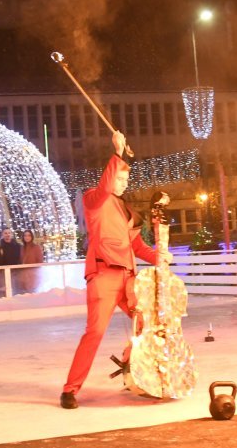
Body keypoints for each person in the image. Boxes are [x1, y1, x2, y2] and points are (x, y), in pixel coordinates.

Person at [60, 131, 171, 409]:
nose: (123, 183)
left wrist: (161, 255)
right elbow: (106, 186)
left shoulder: (127, 212)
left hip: (128, 279)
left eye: (126, 179)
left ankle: (131, 366)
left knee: (147, 323)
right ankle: (70, 389)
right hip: (104, 276)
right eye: (120, 178)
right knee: (94, 332)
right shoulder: (94, 200)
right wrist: (118, 153)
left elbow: (139, 247)